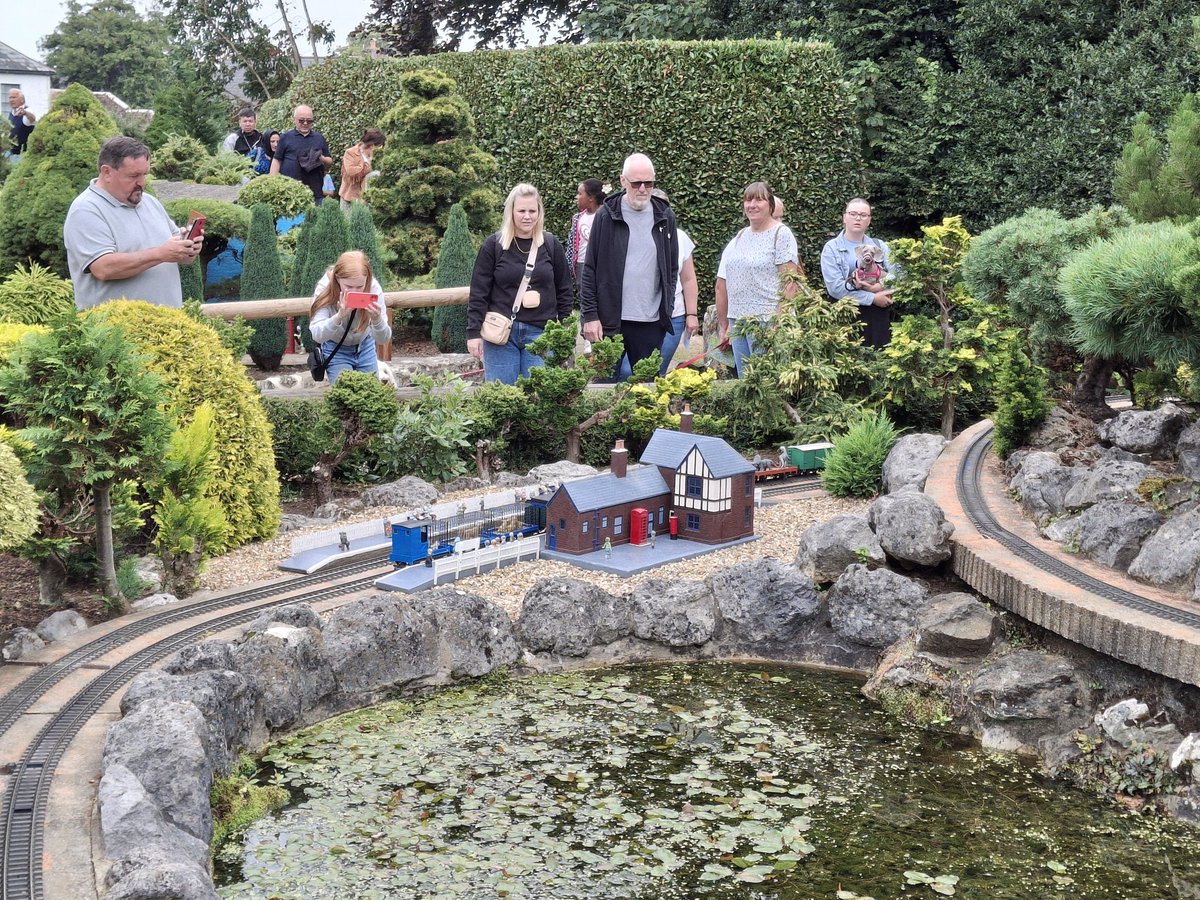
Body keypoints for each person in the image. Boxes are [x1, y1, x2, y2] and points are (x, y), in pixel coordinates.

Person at [64, 136, 201, 311]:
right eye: (133, 176)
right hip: (116, 333)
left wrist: (189, 248)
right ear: (107, 172)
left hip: (167, 328)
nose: (142, 183)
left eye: (144, 174)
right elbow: (103, 268)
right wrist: (160, 253)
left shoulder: (150, 202)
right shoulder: (86, 210)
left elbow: (180, 256)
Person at [580, 153, 679, 372]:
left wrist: (667, 309)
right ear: (623, 181)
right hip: (609, 321)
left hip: (651, 322)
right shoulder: (606, 215)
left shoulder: (665, 216)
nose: (643, 189)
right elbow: (589, 269)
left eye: (649, 183)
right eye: (636, 183)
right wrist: (590, 316)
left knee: (647, 390)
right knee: (601, 385)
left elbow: (672, 269)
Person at [466, 183, 572, 384]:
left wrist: (566, 328)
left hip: (541, 333)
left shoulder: (550, 244)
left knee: (538, 398)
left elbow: (564, 289)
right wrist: (473, 333)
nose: (527, 216)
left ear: (539, 212)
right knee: (502, 397)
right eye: (521, 210)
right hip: (501, 334)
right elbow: (479, 293)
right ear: (511, 212)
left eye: (532, 211)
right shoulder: (494, 246)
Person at [714, 181, 800, 376]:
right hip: (739, 322)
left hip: (767, 321)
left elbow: (790, 282)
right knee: (746, 384)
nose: (752, 205)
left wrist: (778, 324)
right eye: (748, 200)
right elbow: (722, 284)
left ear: (770, 204)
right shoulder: (740, 236)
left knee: (767, 383)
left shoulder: (781, 233)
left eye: (758, 200)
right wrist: (726, 325)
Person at [617, 188, 699, 378]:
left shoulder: (680, 237)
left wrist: (692, 314)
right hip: (635, 316)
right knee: (627, 371)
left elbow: (688, 279)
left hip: (672, 316)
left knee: (654, 372)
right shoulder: (628, 232)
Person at [820, 198, 895, 347]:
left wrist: (880, 286)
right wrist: (872, 298)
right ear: (844, 217)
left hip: (878, 317)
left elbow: (899, 275)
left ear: (869, 220)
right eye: (853, 213)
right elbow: (835, 288)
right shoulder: (832, 248)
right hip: (846, 315)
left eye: (863, 215)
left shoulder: (880, 246)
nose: (858, 218)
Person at [308, 251, 392, 382]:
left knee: (371, 396)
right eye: (348, 286)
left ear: (367, 279)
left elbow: (383, 339)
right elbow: (317, 335)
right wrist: (339, 317)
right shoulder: (325, 287)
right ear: (337, 279)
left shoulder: (373, 287)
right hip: (336, 348)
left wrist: (377, 320)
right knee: (344, 396)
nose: (355, 291)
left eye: (360, 286)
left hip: (365, 346)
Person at [270, 105, 333, 204]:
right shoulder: (285, 137)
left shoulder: (319, 138)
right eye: (301, 120)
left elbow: (329, 162)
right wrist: (272, 184)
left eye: (309, 121)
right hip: (289, 192)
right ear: (294, 120)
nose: (305, 123)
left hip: (315, 192)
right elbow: (277, 160)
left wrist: (322, 159)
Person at [565, 178, 605, 286]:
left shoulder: (605, 216)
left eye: (580, 194)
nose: (577, 197)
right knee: (584, 296)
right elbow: (571, 244)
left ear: (591, 198)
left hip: (600, 265)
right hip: (581, 265)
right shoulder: (578, 218)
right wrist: (568, 266)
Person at [339, 127, 387, 211]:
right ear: (372, 145)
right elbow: (351, 172)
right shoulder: (350, 152)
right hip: (350, 197)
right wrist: (368, 165)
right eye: (379, 145)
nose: (381, 147)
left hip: (369, 199)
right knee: (348, 222)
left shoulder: (379, 154)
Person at [7, 89, 35, 155]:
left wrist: (25, 113)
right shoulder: (12, 113)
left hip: (22, 154)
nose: (11, 100)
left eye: (14, 97)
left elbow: (32, 119)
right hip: (10, 153)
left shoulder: (28, 111)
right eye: (10, 98)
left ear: (22, 99)